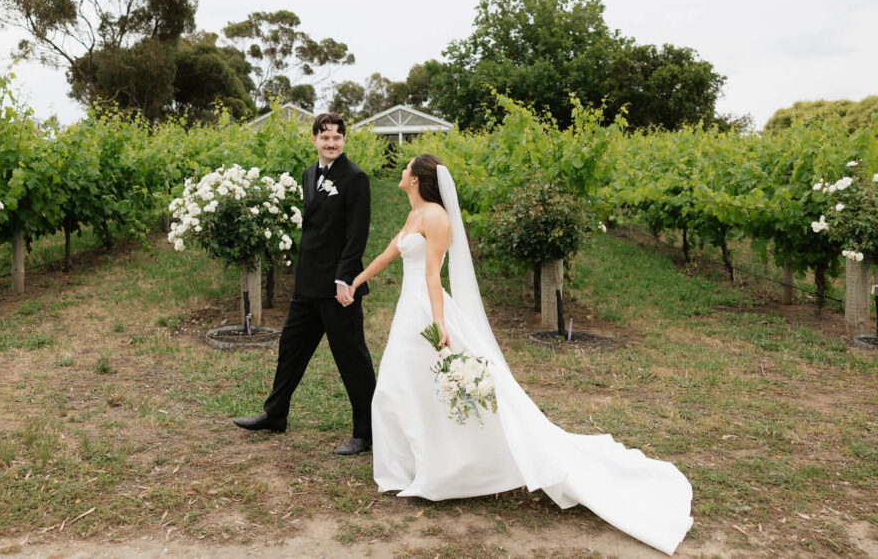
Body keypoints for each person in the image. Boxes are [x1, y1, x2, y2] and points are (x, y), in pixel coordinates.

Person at [345, 154, 694, 555]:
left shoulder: (437, 218)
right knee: (400, 388)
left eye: (407, 168)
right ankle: (409, 466)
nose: (402, 171)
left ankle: (447, 468)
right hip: (410, 309)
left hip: (426, 309)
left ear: (417, 179)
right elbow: (389, 254)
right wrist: (354, 282)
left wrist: (439, 323)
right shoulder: (414, 214)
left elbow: (431, 275)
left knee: (406, 386)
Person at [234, 113, 376, 456]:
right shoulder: (309, 174)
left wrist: (344, 279)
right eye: (325, 137)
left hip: (338, 288)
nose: (331, 143)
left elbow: (356, 235)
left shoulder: (355, 178)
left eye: (337, 137)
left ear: (344, 141)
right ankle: (275, 414)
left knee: (351, 358)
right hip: (307, 282)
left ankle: (366, 433)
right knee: (291, 348)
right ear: (314, 140)